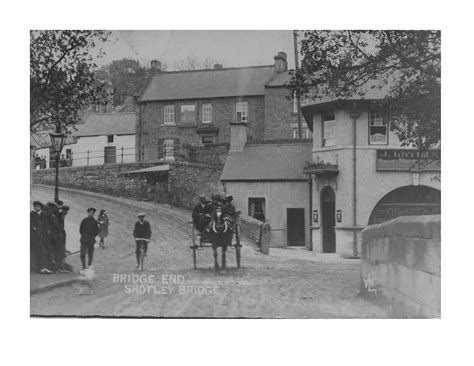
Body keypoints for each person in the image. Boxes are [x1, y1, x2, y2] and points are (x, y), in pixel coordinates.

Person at [30, 201, 52, 274]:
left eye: (38, 207)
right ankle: (36, 267)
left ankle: (42, 267)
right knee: (35, 252)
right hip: (35, 237)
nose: (36, 208)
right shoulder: (32, 214)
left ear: (40, 207)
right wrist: (34, 227)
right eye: (35, 206)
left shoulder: (43, 215)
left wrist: (47, 231)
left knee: (43, 251)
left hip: (42, 236)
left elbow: (46, 225)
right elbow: (31, 224)